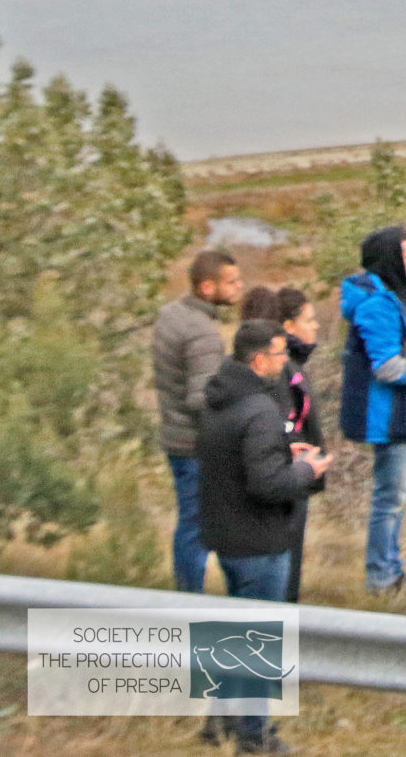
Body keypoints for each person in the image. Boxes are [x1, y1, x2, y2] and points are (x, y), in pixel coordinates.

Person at [196, 319, 331, 755]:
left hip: (228, 535)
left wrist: (281, 453)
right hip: (260, 539)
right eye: (278, 353)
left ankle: (219, 720)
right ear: (258, 360)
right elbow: (268, 484)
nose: (283, 362)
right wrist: (306, 469)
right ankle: (255, 737)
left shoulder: (221, 398)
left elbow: (240, 459)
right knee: (259, 641)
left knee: (235, 635)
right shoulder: (259, 409)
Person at [339, 225, 406, 593]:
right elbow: (388, 367)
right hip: (389, 417)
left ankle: (392, 569)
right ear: (391, 259)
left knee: (397, 497)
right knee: (390, 499)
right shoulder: (377, 304)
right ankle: (381, 577)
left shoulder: (401, 297)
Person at [154, 247, 241, 592]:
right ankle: (189, 601)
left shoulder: (171, 314)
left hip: (175, 437)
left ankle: (187, 594)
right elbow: (202, 399)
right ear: (207, 288)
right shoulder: (203, 333)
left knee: (189, 523)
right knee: (196, 526)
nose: (239, 287)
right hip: (195, 444)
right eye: (231, 282)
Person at [241, 284, 325, 603]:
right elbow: (279, 422)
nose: (315, 325)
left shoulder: (291, 366)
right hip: (285, 475)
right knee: (279, 563)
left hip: (292, 472)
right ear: (287, 327)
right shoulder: (281, 371)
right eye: (309, 319)